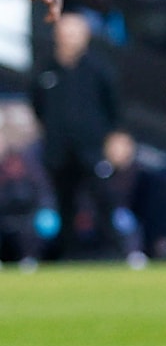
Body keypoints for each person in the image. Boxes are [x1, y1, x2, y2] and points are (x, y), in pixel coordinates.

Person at [31, 13, 120, 261]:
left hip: (91, 149)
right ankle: (68, 255)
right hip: (58, 151)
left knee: (103, 200)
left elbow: (113, 106)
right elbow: (37, 105)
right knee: (63, 204)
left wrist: (114, 137)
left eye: (75, 32)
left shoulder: (98, 69)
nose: (70, 38)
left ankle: (116, 253)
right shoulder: (45, 68)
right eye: (66, 32)